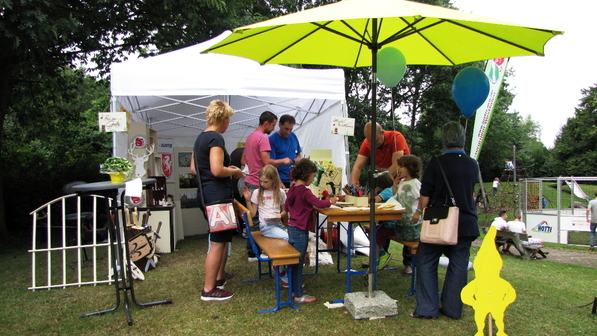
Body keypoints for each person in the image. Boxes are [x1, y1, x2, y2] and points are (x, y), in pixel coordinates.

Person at [411, 121, 479, 320]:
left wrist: (420, 210)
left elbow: (425, 197)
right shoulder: (473, 164)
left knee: (425, 260)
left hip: (439, 222)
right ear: (463, 138)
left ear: (444, 140)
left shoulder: (437, 162)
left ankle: (427, 308)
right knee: (459, 265)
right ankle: (452, 309)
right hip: (466, 222)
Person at [191, 100, 243, 301]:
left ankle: (219, 278)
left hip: (207, 194)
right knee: (218, 242)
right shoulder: (215, 138)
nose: (229, 123)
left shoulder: (201, 138)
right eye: (228, 119)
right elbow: (216, 170)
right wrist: (235, 171)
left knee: (223, 238)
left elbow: (196, 169)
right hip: (217, 196)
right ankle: (209, 289)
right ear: (222, 118)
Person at [350, 121, 412, 271]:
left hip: (403, 182)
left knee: (407, 220)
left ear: (382, 133)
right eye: (369, 141)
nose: (373, 143)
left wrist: (377, 182)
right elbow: (358, 166)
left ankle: (409, 263)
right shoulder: (367, 142)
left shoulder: (396, 137)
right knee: (384, 219)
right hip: (386, 182)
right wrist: (353, 186)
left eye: (375, 140)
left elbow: (396, 165)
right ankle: (380, 256)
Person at [285, 158, 337, 304]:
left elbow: (287, 208)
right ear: (307, 174)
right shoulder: (305, 192)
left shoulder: (293, 189)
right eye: (313, 176)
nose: (314, 179)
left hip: (292, 228)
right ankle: (298, 295)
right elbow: (319, 203)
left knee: (295, 261)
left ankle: (295, 288)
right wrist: (331, 201)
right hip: (301, 230)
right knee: (299, 262)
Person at [242, 111, 293, 261]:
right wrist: (283, 160)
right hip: (259, 182)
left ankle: (253, 251)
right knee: (259, 220)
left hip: (250, 179)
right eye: (273, 125)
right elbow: (267, 162)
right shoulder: (263, 138)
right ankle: (260, 251)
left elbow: (244, 158)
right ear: (266, 123)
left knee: (255, 220)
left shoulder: (250, 136)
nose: (273, 128)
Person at [392, 155, 423, 275]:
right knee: (405, 242)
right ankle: (407, 263)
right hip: (402, 220)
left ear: (409, 168)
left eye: (401, 167)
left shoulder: (415, 183)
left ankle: (410, 264)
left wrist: (418, 213)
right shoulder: (403, 182)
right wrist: (395, 184)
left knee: (411, 243)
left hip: (412, 219)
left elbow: (421, 199)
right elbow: (396, 195)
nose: (398, 169)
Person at [242, 165, 288, 242]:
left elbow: (285, 211)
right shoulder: (257, 192)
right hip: (266, 226)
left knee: (293, 238)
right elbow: (253, 214)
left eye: (265, 182)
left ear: (274, 180)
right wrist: (248, 200)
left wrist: (280, 215)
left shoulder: (281, 192)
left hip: (279, 224)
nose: (262, 184)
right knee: (287, 237)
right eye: (260, 181)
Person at [269, 114, 302, 188]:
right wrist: (279, 182)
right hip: (279, 179)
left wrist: (298, 158)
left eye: (291, 129)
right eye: (286, 129)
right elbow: (271, 165)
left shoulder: (293, 136)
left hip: (293, 179)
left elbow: (298, 153)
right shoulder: (272, 140)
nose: (288, 132)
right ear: (280, 125)